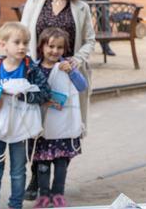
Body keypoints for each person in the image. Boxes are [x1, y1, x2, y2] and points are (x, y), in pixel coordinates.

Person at [19, 0, 95, 201]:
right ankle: (35, 176)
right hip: (38, 73)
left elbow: (90, 41)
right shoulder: (35, 1)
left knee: (64, 125)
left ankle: (57, 187)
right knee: (35, 124)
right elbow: (23, 33)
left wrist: (77, 60)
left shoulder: (81, 7)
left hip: (67, 75)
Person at [0, 22, 51, 209]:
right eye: (17, 42)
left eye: (25, 42)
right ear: (3, 44)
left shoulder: (31, 71)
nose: (22, 47)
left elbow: (45, 93)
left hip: (21, 129)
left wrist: (23, 95)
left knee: (18, 171)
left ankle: (15, 205)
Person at [31, 27, 87, 208]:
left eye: (59, 47)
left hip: (63, 127)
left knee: (61, 163)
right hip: (42, 127)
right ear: (42, 46)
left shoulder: (67, 66)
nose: (55, 51)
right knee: (42, 162)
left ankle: (58, 195)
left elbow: (82, 86)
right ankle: (44, 195)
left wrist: (71, 71)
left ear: (65, 49)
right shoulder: (34, 68)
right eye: (51, 46)